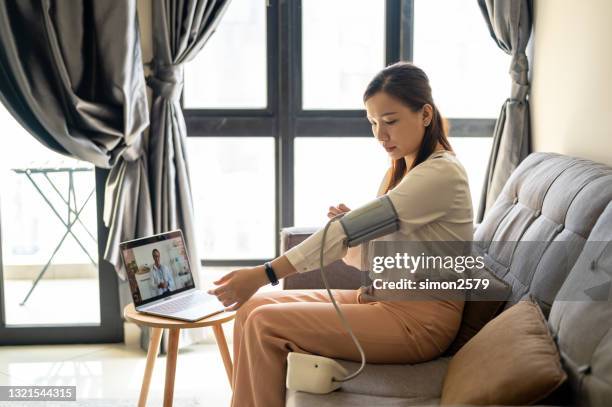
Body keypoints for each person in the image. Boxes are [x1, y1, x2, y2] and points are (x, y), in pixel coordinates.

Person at [207, 61, 473, 407]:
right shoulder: (402, 170)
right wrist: (361, 235)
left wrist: (265, 272)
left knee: (264, 324)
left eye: (390, 121)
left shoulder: (441, 174)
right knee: (251, 310)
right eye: (373, 123)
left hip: (418, 322)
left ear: (425, 114)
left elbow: (344, 235)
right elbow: (366, 259)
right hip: (378, 298)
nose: (380, 135)